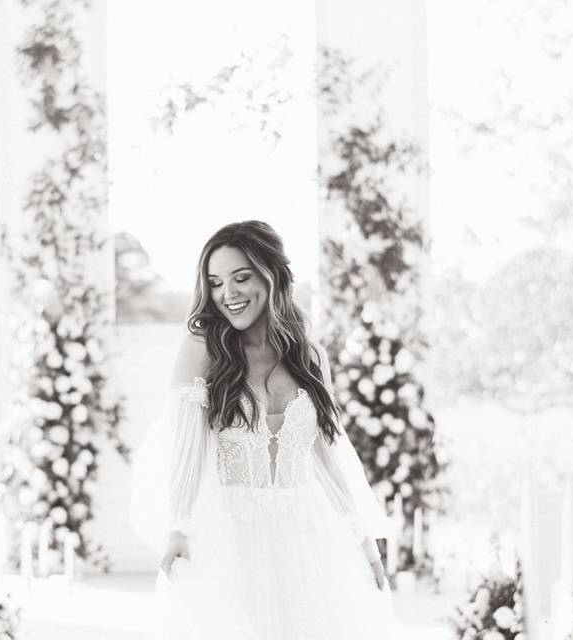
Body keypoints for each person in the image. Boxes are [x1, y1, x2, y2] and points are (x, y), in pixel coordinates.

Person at [129, 220, 400, 639]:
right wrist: (179, 528)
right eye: (216, 283)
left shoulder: (309, 355)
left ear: (272, 275)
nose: (228, 294)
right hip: (230, 532)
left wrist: (362, 538)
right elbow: (187, 448)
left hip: (308, 532)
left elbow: (328, 455)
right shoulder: (201, 349)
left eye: (241, 277)